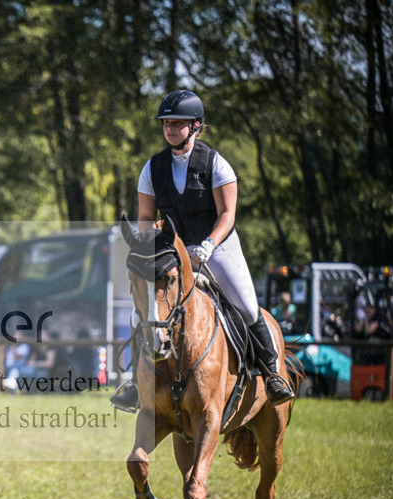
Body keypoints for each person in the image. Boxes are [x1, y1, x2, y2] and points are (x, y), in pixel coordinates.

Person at [111, 90, 294, 411]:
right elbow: (146, 217)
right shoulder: (152, 168)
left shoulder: (216, 164)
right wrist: (147, 248)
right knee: (140, 312)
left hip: (217, 246)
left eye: (177, 123)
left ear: (195, 125)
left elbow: (227, 214)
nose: (169, 128)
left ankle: (273, 373)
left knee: (246, 306)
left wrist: (209, 244)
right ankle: (136, 384)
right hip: (172, 252)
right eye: (166, 123)